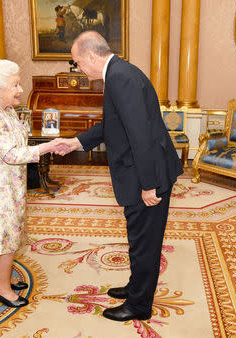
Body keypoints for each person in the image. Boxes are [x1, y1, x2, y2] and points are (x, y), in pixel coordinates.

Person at [56, 31, 184, 321]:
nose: (79, 70)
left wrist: (149, 185)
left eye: (77, 63)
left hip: (147, 175)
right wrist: (77, 142)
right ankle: (135, 287)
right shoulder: (119, 72)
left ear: (91, 55)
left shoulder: (120, 77)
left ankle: (139, 306)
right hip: (143, 170)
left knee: (145, 242)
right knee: (138, 237)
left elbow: (140, 136)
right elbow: (113, 124)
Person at [0, 60, 68, 308]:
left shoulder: (5, 108)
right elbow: (12, 154)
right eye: (15, 84)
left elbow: (19, 139)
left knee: (13, 230)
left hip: (11, 182)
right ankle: (2, 289)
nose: (21, 89)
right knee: (5, 235)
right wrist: (48, 146)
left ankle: (4, 277)